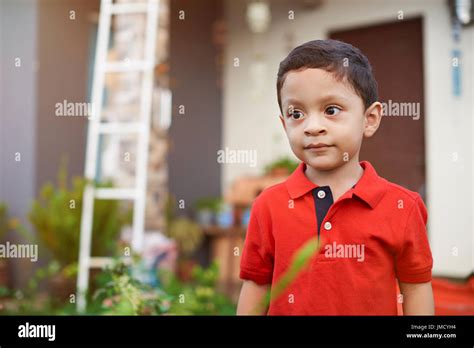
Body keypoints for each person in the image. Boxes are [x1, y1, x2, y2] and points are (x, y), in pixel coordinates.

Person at [237, 39, 434, 315]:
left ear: (370, 119)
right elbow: (256, 286)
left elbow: (416, 287)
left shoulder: (403, 207)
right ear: (284, 124)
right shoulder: (268, 205)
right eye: (296, 113)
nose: (312, 127)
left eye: (331, 110)